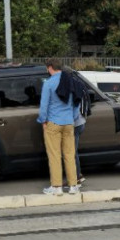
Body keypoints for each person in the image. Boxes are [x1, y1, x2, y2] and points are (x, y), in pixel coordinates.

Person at [37, 58, 78, 195]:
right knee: (69, 155)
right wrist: (72, 117)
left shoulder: (48, 83)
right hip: (69, 122)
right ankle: (73, 186)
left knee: (55, 155)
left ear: (49, 68)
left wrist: (43, 121)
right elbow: (76, 103)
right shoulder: (69, 80)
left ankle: (57, 187)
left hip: (53, 123)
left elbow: (44, 106)